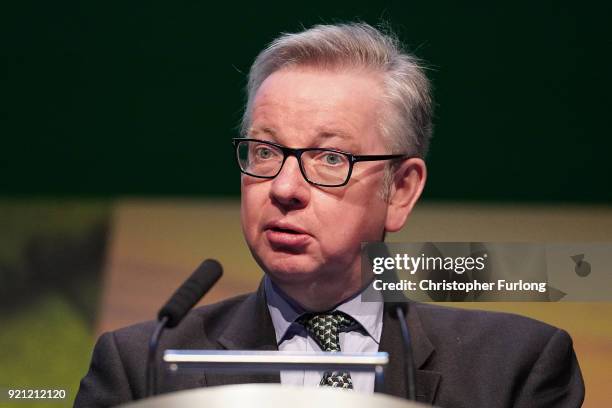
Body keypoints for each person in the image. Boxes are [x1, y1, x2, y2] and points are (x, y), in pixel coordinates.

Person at [75, 23, 584, 407]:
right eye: (265, 151)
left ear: (401, 189)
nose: (285, 188)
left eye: (329, 158)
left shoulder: (514, 366)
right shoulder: (143, 366)